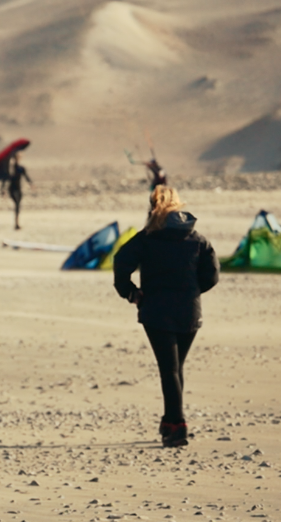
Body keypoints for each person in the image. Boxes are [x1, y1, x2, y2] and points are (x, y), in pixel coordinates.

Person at [113, 185, 219, 448]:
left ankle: (177, 425)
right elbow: (212, 275)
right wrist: (192, 292)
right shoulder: (197, 239)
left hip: (157, 311)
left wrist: (130, 293)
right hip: (188, 312)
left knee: (169, 369)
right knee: (175, 368)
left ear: (153, 207)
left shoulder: (147, 238)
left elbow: (120, 262)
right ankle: (169, 420)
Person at [1, 152, 32, 230]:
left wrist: (31, 183)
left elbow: (26, 177)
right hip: (12, 189)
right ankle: (16, 223)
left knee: (17, 205)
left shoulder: (21, 169)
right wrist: (3, 189)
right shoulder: (11, 169)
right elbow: (5, 179)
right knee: (17, 205)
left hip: (18, 189)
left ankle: (17, 223)